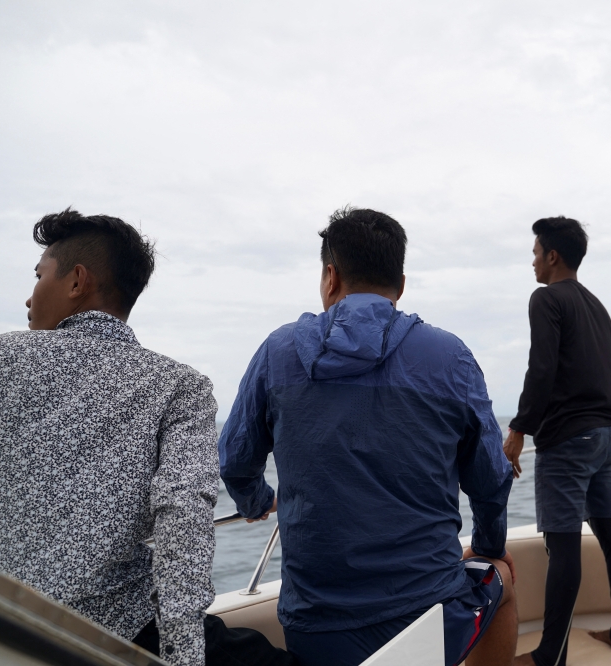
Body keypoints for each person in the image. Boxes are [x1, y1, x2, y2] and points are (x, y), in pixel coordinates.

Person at [0, 208, 294, 666]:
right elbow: (182, 523)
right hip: (128, 629)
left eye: (38, 276)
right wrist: (183, 658)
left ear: (77, 280)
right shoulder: (178, 384)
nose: (29, 298)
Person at [218, 207, 518, 666]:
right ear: (400, 284)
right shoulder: (450, 356)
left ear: (330, 277)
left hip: (314, 622)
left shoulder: (277, 353)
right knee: (501, 575)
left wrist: (257, 501)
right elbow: (492, 479)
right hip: (429, 612)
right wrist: (490, 547)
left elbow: (235, 461)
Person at [503, 217, 611, 666]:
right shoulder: (597, 306)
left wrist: (519, 428)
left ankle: (550, 656)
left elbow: (541, 369)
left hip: (569, 440)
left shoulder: (545, 299)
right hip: (607, 436)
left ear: (553, 256)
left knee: (563, 546)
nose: (534, 260)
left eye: (536, 252)